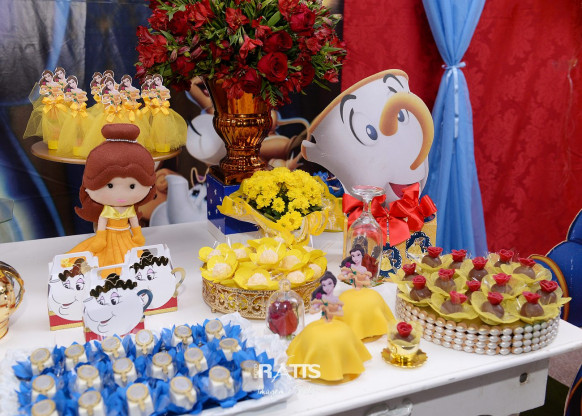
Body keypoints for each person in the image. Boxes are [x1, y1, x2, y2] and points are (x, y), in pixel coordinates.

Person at [69, 123, 156, 269]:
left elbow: (134, 221)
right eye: (110, 186)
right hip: (108, 238)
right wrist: (100, 238)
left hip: (126, 238)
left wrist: (137, 234)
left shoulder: (129, 209)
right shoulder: (108, 211)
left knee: (133, 260)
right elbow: (102, 222)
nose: (121, 195)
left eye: (132, 186)